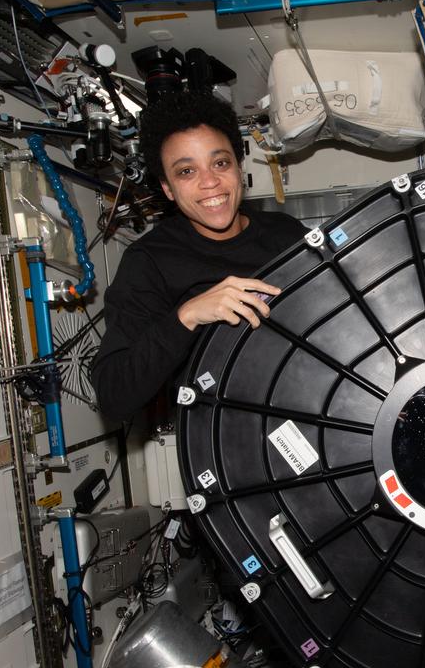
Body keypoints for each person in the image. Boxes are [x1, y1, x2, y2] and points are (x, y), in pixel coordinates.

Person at [92, 91, 307, 421]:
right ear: (167, 188)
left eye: (220, 163)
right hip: (228, 449)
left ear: (238, 166)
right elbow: (113, 395)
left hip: (313, 415)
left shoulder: (287, 235)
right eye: (186, 172)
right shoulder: (149, 262)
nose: (209, 182)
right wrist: (187, 316)